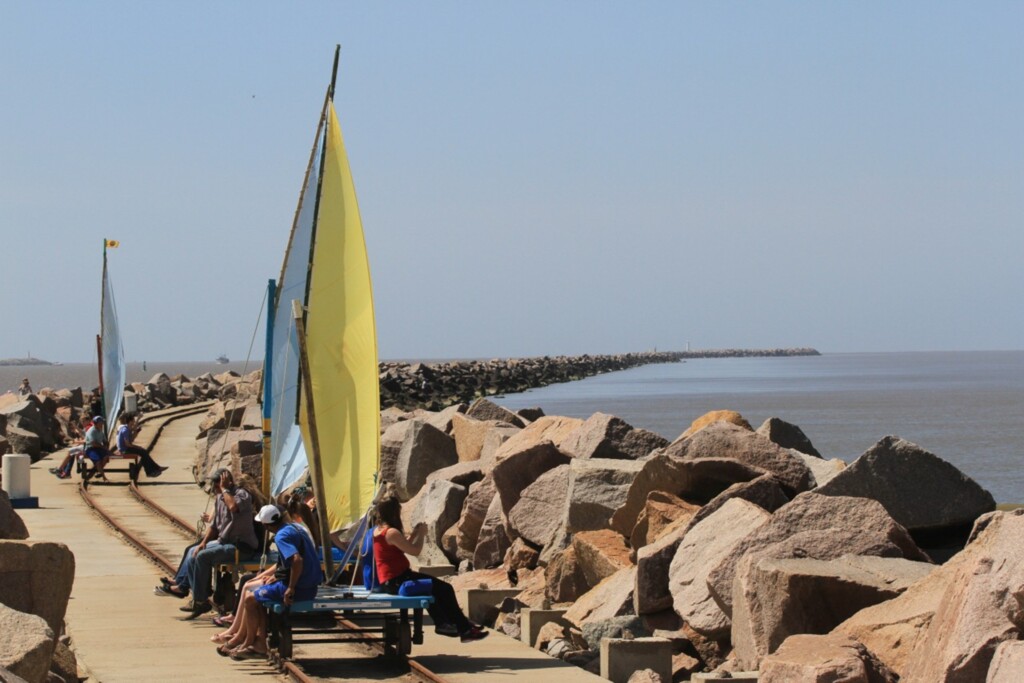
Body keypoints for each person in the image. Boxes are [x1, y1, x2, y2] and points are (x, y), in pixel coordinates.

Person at [373, 495, 487, 642]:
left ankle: (462, 626)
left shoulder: (379, 530)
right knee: (444, 589)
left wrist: (414, 534)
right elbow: (414, 551)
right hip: (398, 581)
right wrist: (421, 535)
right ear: (394, 512)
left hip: (394, 580)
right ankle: (451, 626)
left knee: (441, 588)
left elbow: (400, 547)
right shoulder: (391, 532)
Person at [225, 504, 322, 660]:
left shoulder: (281, 536)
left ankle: (253, 643)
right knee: (258, 596)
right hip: (311, 586)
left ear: (266, 525)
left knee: (250, 599)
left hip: (299, 588)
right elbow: (289, 562)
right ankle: (256, 641)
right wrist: (276, 576)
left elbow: (297, 560)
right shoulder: (295, 528)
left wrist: (290, 588)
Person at [181, 468, 259, 619]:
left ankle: (200, 599)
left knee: (203, 557)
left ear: (226, 482)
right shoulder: (219, 498)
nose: (216, 490)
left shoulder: (242, 495)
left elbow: (233, 507)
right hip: (224, 542)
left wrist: (224, 489)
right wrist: (203, 542)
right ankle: (201, 593)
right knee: (193, 553)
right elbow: (215, 526)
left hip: (241, 546)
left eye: (217, 486)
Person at [116, 413, 167, 478]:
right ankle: (151, 471)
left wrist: (138, 420)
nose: (134, 422)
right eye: (133, 421)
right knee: (143, 452)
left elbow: (133, 432)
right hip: (124, 450)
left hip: (126, 448)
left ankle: (153, 470)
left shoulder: (127, 428)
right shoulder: (125, 430)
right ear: (131, 421)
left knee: (143, 452)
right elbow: (128, 444)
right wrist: (137, 447)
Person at [83, 416, 110, 481]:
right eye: (100, 422)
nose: (102, 424)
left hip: (98, 448)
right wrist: (103, 447)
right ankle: (104, 477)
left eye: (102, 422)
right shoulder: (91, 431)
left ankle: (98, 470)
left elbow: (105, 440)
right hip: (90, 449)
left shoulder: (100, 430)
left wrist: (106, 445)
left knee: (106, 457)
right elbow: (93, 443)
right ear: (96, 423)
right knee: (98, 461)